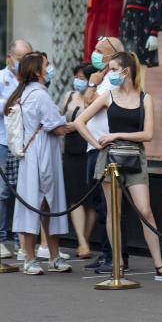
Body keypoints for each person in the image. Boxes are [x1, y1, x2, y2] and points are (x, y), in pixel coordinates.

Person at [75, 51, 162, 282]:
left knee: (145, 210)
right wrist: (97, 144)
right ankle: (118, 263)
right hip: (110, 159)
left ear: (126, 71)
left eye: (113, 69)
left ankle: (159, 265)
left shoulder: (145, 98)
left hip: (134, 158)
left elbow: (149, 134)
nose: (109, 74)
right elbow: (79, 121)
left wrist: (115, 135)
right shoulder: (107, 96)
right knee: (114, 211)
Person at [5, 52, 76, 275]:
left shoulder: (28, 92)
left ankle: (47, 256)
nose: (50, 67)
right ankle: (32, 258)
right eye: (47, 64)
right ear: (38, 71)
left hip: (35, 154)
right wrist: (81, 123)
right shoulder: (40, 95)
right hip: (41, 155)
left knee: (43, 205)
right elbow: (56, 127)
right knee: (41, 204)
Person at [80, 35, 130, 272]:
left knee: (112, 207)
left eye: (100, 51)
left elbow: (89, 103)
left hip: (107, 148)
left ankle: (118, 256)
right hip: (93, 147)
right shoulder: (102, 79)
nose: (95, 55)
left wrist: (91, 84)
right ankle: (106, 252)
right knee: (100, 206)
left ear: (113, 56)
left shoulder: (113, 79)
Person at [0, 39, 33, 258]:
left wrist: (8, 104)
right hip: (3, 142)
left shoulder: (31, 81)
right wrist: (17, 105)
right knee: (1, 193)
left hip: (26, 143)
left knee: (24, 193)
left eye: (28, 58)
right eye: (21, 58)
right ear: (9, 57)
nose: (24, 62)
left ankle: (22, 242)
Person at [59, 62, 99, 259]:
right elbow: (59, 116)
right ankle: (82, 243)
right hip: (71, 151)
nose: (79, 82)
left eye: (83, 78)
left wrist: (74, 126)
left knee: (90, 201)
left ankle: (85, 240)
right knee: (75, 199)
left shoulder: (95, 98)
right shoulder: (69, 96)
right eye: (77, 77)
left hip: (89, 149)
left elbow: (94, 123)